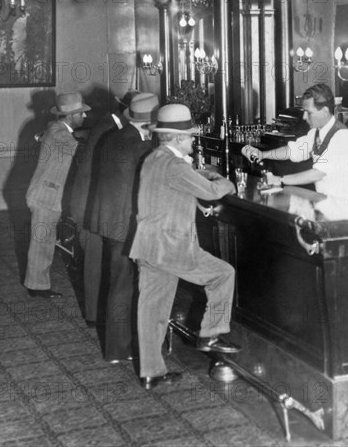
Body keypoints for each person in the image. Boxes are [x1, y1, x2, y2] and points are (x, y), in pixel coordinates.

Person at [130, 104, 241, 390]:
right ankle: (212, 333)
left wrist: (203, 177)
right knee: (223, 274)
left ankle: (151, 372)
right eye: (191, 136)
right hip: (171, 247)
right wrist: (226, 181)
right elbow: (213, 191)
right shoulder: (176, 165)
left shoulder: (154, 158)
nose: (193, 140)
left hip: (146, 246)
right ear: (178, 139)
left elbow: (175, 189)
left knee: (152, 310)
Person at [92, 92, 159, 363]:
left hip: (110, 220)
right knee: (124, 286)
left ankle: (118, 347)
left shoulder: (115, 137)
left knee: (119, 283)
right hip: (126, 224)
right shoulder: (139, 147)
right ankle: (120, 349)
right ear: (148, 123)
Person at [70, 89, 139, 327]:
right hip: (92, 203)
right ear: (129, 112)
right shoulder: (109, 129)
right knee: (94, 263)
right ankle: (93, 316)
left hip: (99, 203)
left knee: (102, 263)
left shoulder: (113, 125)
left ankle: (99, 315)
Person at [241, 84, 348, 202]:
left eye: (308, 112)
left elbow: (318, 173)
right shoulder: (316, 133)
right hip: (325, 201)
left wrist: (280, 180)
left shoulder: (342, 136)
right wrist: (263, 154)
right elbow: (292, 150)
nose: (304, 117)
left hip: (344, 205)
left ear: (325, 111)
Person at [24, 91, 90, 298]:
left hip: (47, 194)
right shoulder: (59, 133)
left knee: (44, 240)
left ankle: (37, 284)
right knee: (41, 242)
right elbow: (77, 148)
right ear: (71, 116)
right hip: (45, 195)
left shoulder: (58, 128)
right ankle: (36, 287)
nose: (85, 116)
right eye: (82, 114)